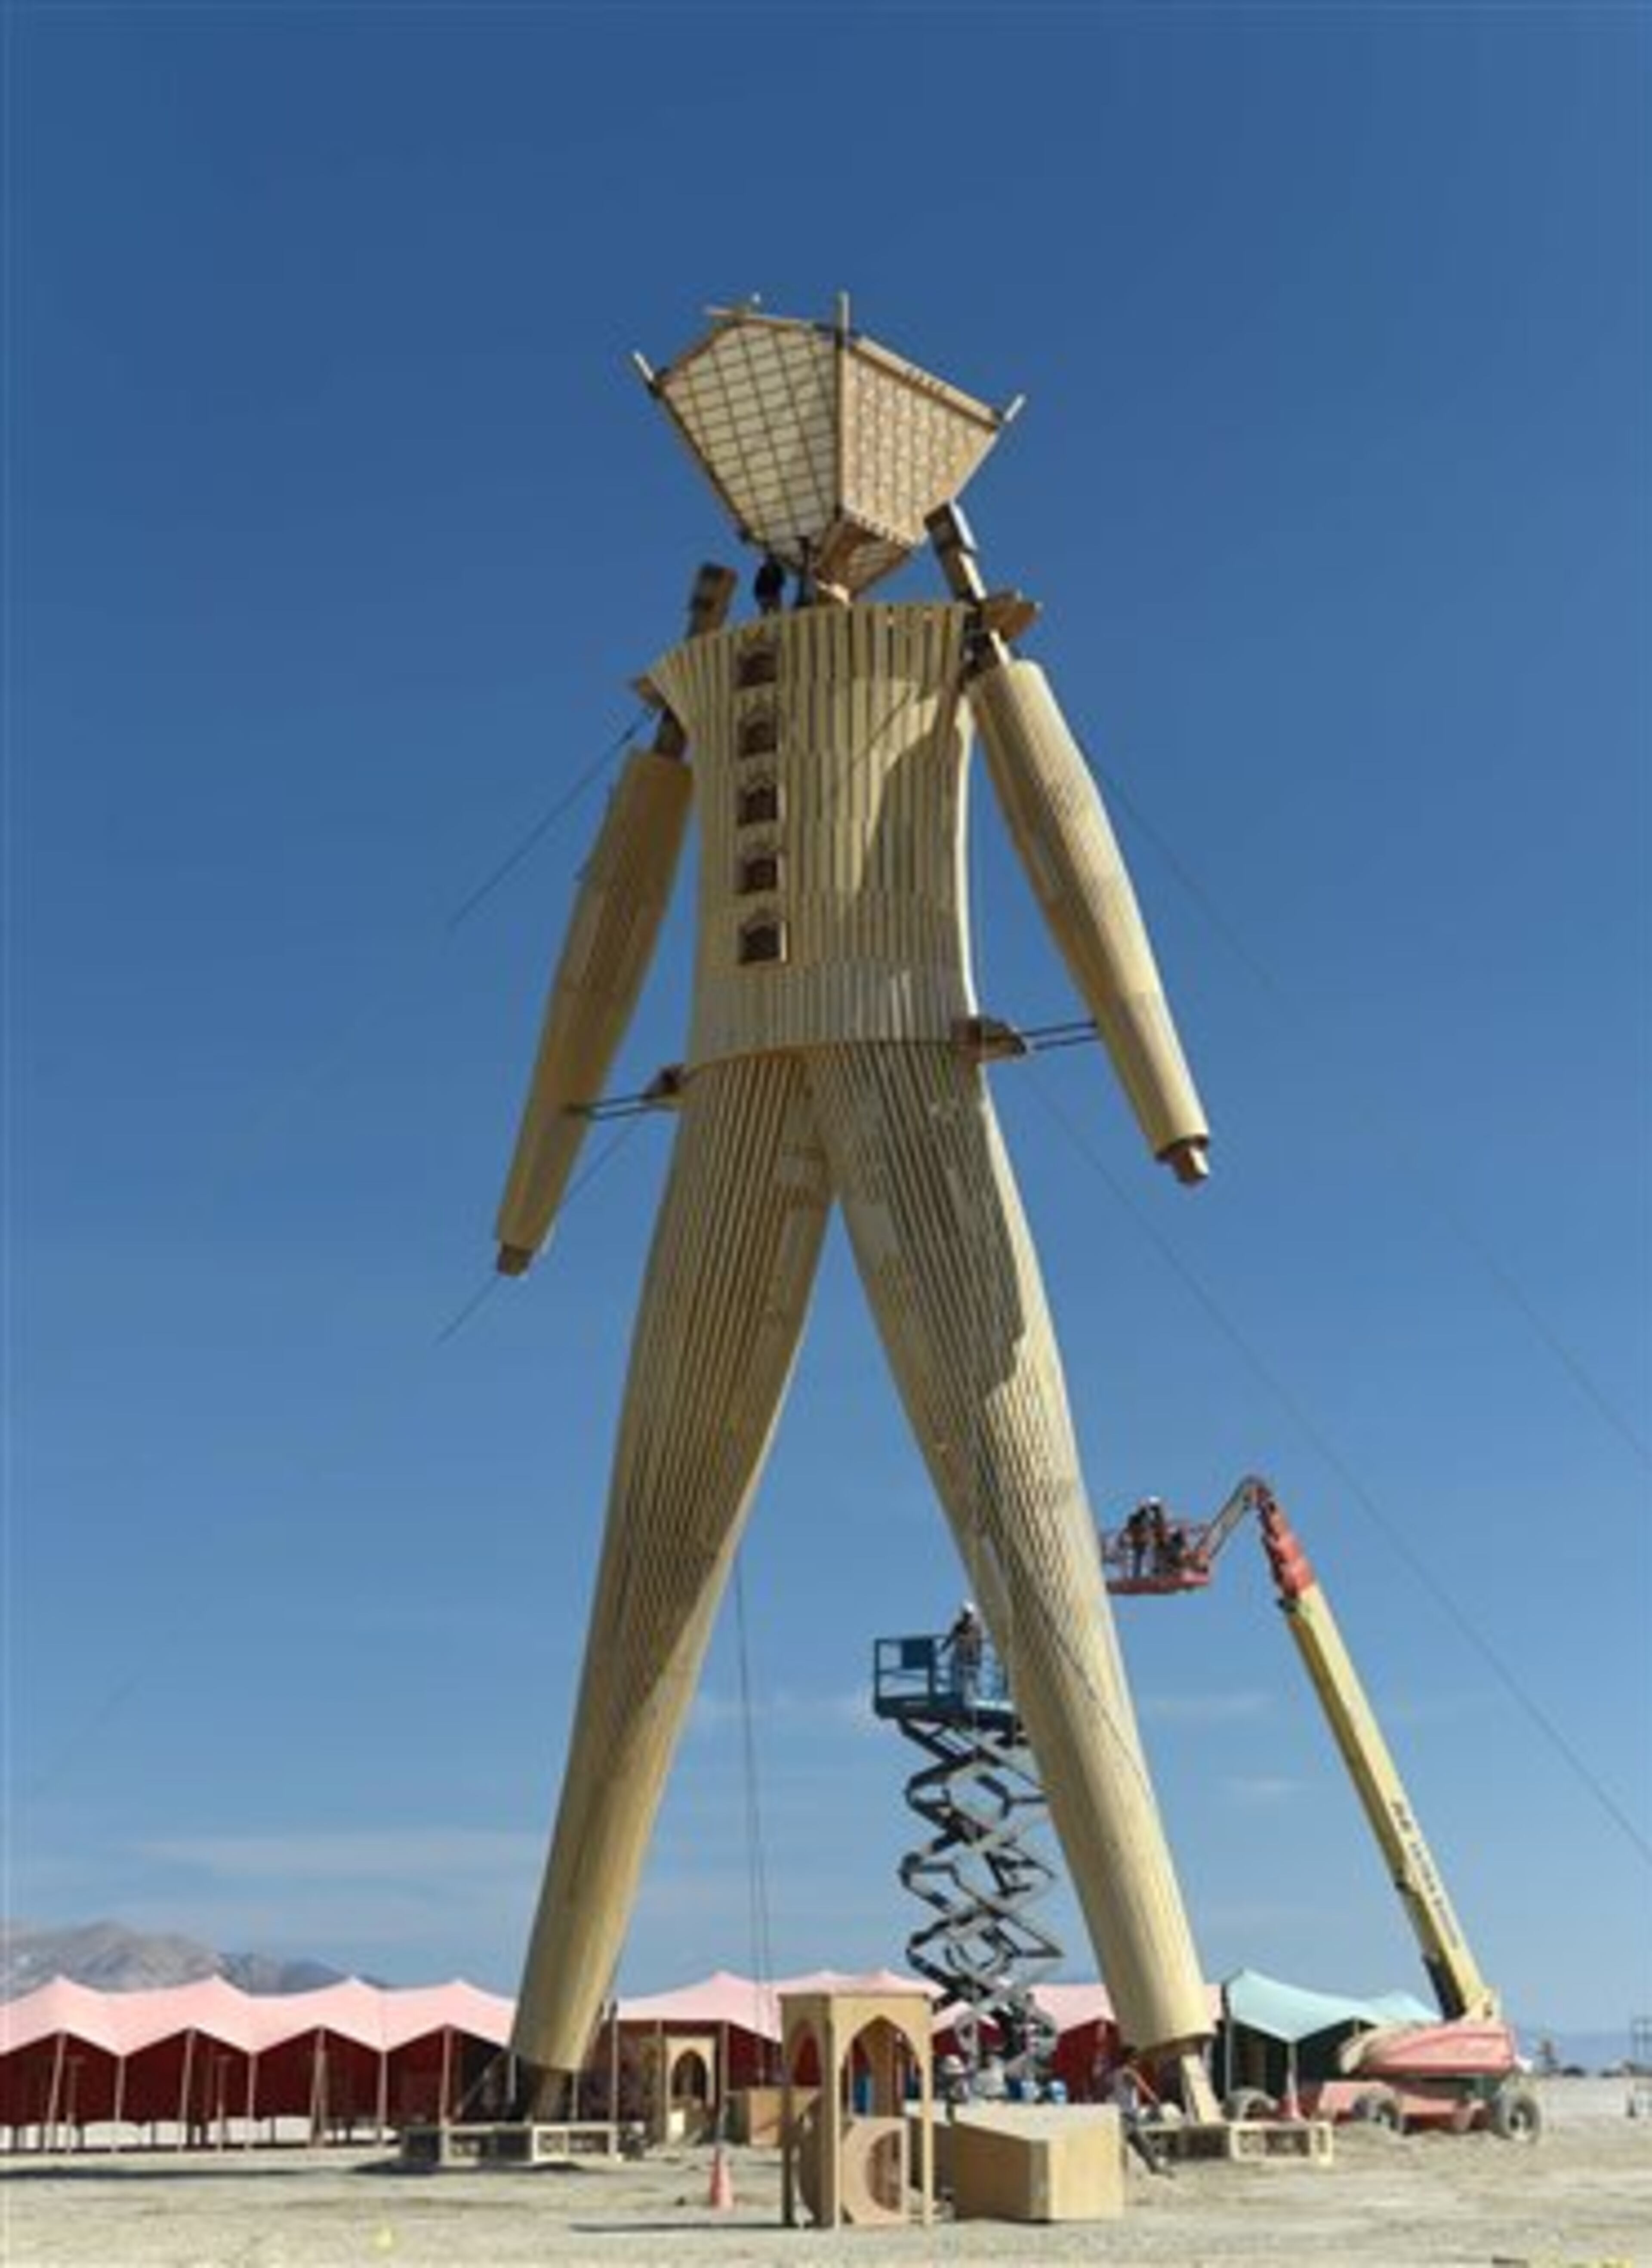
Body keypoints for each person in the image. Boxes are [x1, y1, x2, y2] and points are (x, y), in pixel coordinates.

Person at [948, 1600, 984, 1697]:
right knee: (962, 1676)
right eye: (966, 1615)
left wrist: (979, 1655)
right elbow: (951, 1638)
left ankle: (975, 1693)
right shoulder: (959, 1626)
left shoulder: (976, 1627)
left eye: (968, 1615)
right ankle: (961, 1693)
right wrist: (944, 1648)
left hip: (971, 1656)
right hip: (962, 1656)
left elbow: (980, 1642)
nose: (967, 1617)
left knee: (973, 1676)